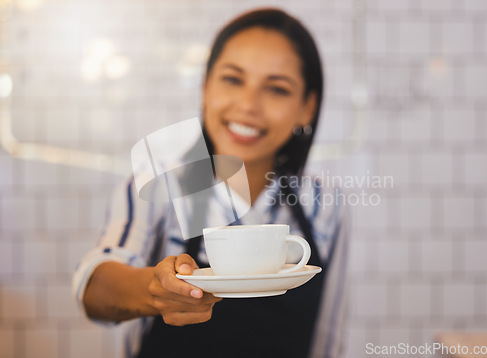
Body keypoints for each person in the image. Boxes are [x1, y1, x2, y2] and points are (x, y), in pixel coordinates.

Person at [73, 8, 350, 358]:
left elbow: (328, 332)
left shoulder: (323, 201)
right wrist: (154, 290)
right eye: (233, 79)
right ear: (205, 87)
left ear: (307, 108)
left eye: (277, 89)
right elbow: (94, 288)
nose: (248, 105)